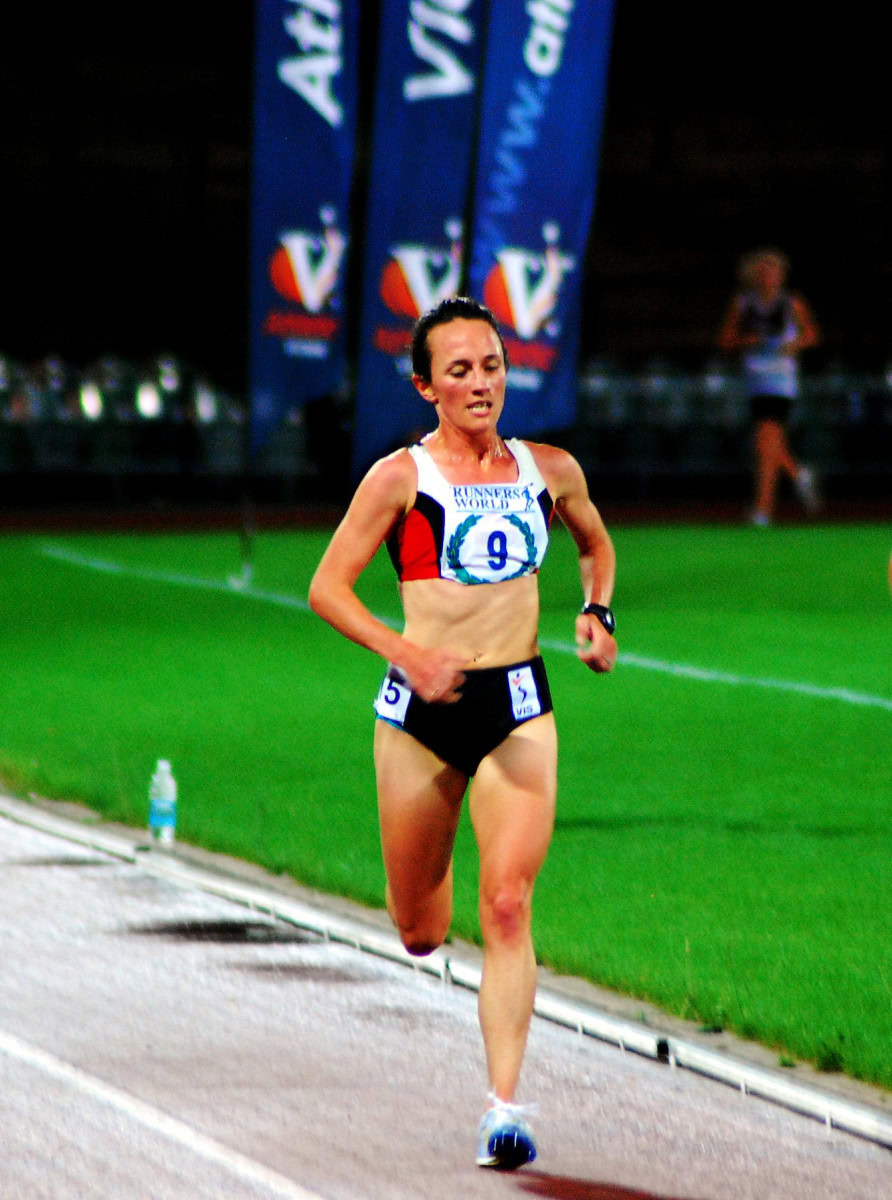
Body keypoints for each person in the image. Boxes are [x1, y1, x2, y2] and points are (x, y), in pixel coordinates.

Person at [308, 296, 617, 1169]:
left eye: (491, 366)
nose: (481, 383)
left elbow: (597, 546)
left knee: (509, 904)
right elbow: (328, 588)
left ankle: (505, 1109)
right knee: (419, 929)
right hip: (420, 717)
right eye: (460, 371)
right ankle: (426, 918)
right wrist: (405, 653)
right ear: (425, 386)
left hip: (517, 703)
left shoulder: (549, 468)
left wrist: (598, 612)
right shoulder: (398, 479)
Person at [717, 248, 821, 525]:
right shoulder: (742, 304)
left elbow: (811, 335)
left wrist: (794, 344)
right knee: (767, 444)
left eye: (774, 272)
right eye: (763, 272)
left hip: (782, 380)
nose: (769, 277)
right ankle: (799, 474)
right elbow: (725, 340)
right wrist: (747, 342)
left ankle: (763, 510)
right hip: (755, 380)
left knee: (766, 438)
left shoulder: (791, 303)